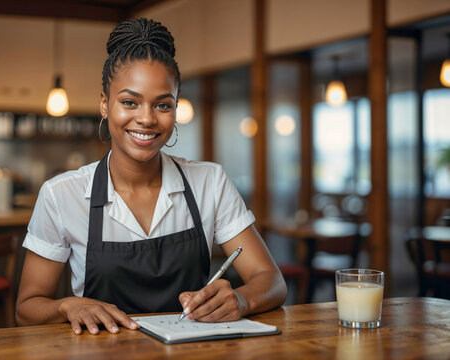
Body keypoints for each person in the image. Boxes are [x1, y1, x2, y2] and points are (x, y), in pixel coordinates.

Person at [16, 18, 286, 335]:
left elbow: (271, 281)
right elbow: (27, 309)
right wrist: (66, 305)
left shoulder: (209, 181)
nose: (146, 119)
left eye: (162, 105)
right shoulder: (62, 194)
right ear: (104, 104)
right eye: (129, 102)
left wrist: (240, 300)